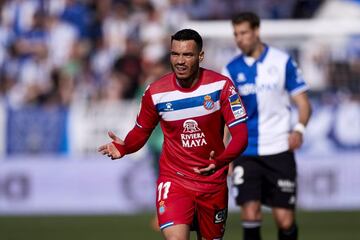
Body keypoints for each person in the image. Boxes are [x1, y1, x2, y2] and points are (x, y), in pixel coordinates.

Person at [98, 29, 248, 240]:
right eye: (175, 54)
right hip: (175, 180)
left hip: (212, 182)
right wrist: (125, 147)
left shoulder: (221, 87)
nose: (180, 61)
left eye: (187, 55)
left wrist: (221, 161)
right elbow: (141, 131)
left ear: (200, 56)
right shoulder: (156, 92)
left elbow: (241, 135)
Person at [222, 12, 312, 240]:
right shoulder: (231, 70)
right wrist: (227, 154)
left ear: (256, 31)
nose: (239, 38)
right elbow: (227, 116)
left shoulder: (282, 61)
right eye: (236, 34)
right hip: (246, 151)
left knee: (285, 220)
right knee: (250, 214)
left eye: (243, 33)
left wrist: (299, 129)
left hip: (279, 149)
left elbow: (303, 103)